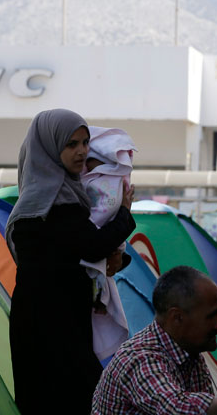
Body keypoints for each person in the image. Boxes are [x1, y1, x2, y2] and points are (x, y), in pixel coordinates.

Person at [6, 109, 137, 414]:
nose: (81, 152)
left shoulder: (58, 195)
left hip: (56, 318)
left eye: (85, 143)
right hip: (50, 323)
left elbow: (75, 252)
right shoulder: (55, 203)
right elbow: (90, 247)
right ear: (50, 148)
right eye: (71, 144)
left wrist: (116, 258)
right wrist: (124, 212)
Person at [91, 266, 217, 414]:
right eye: (211, 316)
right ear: (177, 318)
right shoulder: (139, 358)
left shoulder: (190, 351)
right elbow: (177, 408)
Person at [80, 126, 139, 363]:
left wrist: (114, 256)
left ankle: (102, 299)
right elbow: (92, 246)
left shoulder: (97, 182)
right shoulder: (65, 193)